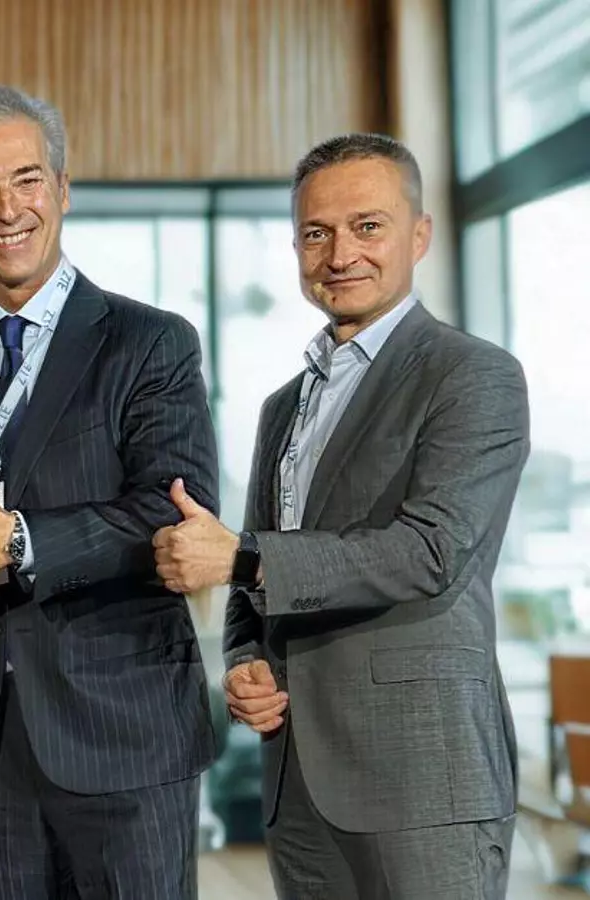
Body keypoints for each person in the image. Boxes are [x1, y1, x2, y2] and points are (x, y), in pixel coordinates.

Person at [154, 133, 528, 900]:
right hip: (298, 777)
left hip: (424, 779)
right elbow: (256, 583)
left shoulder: (473, 375)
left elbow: (430, 551)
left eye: (368, 226)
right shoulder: (282, 407)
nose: (340, 254)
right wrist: (245, 660)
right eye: (316, 233)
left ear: (419, 235)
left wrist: (242, 558)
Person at [0, 84, 218, 898]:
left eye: (27, 179)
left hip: (127, 736)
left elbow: (173, 512)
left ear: (63, 189)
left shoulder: (150, 343)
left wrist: (19, 540)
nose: (8, 209)